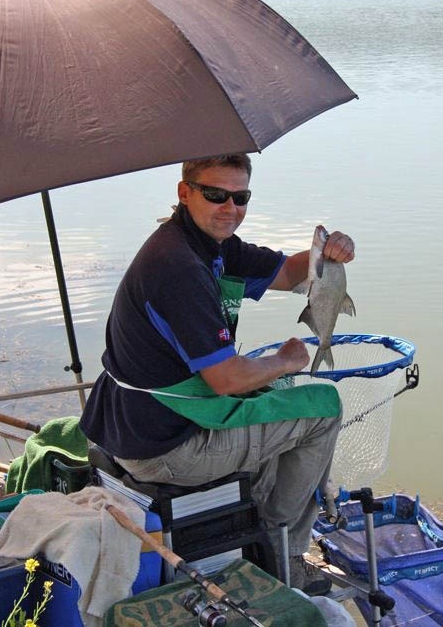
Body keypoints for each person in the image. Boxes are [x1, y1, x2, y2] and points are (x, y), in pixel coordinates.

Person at [80, 153, 355, 594]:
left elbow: (288, 273)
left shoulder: (206, 244)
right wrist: (286, 361)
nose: (230, 208)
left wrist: (328, 254)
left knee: (270, 394)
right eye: (216, 195)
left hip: (131, 422)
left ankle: (257, 518)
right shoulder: (178, 268)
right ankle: (285, 550)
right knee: (323, 410)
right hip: (164, 447)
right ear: (184, 192)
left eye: (240, 197)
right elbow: (224, 380)